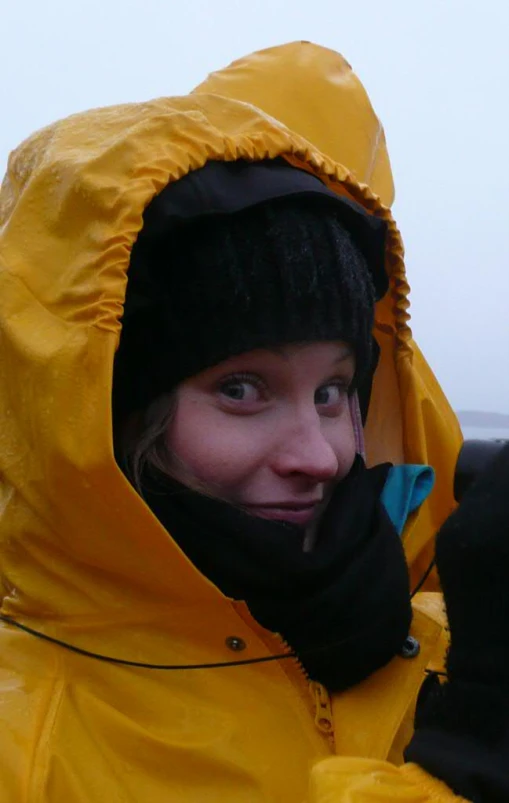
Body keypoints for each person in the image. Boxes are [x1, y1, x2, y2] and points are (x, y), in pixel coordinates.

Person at [0, 40, 507, 803]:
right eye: (241, 388)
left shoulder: (445, 642)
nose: (321, 456)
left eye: (333, 391)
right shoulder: (26, 740)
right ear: (109, 414)